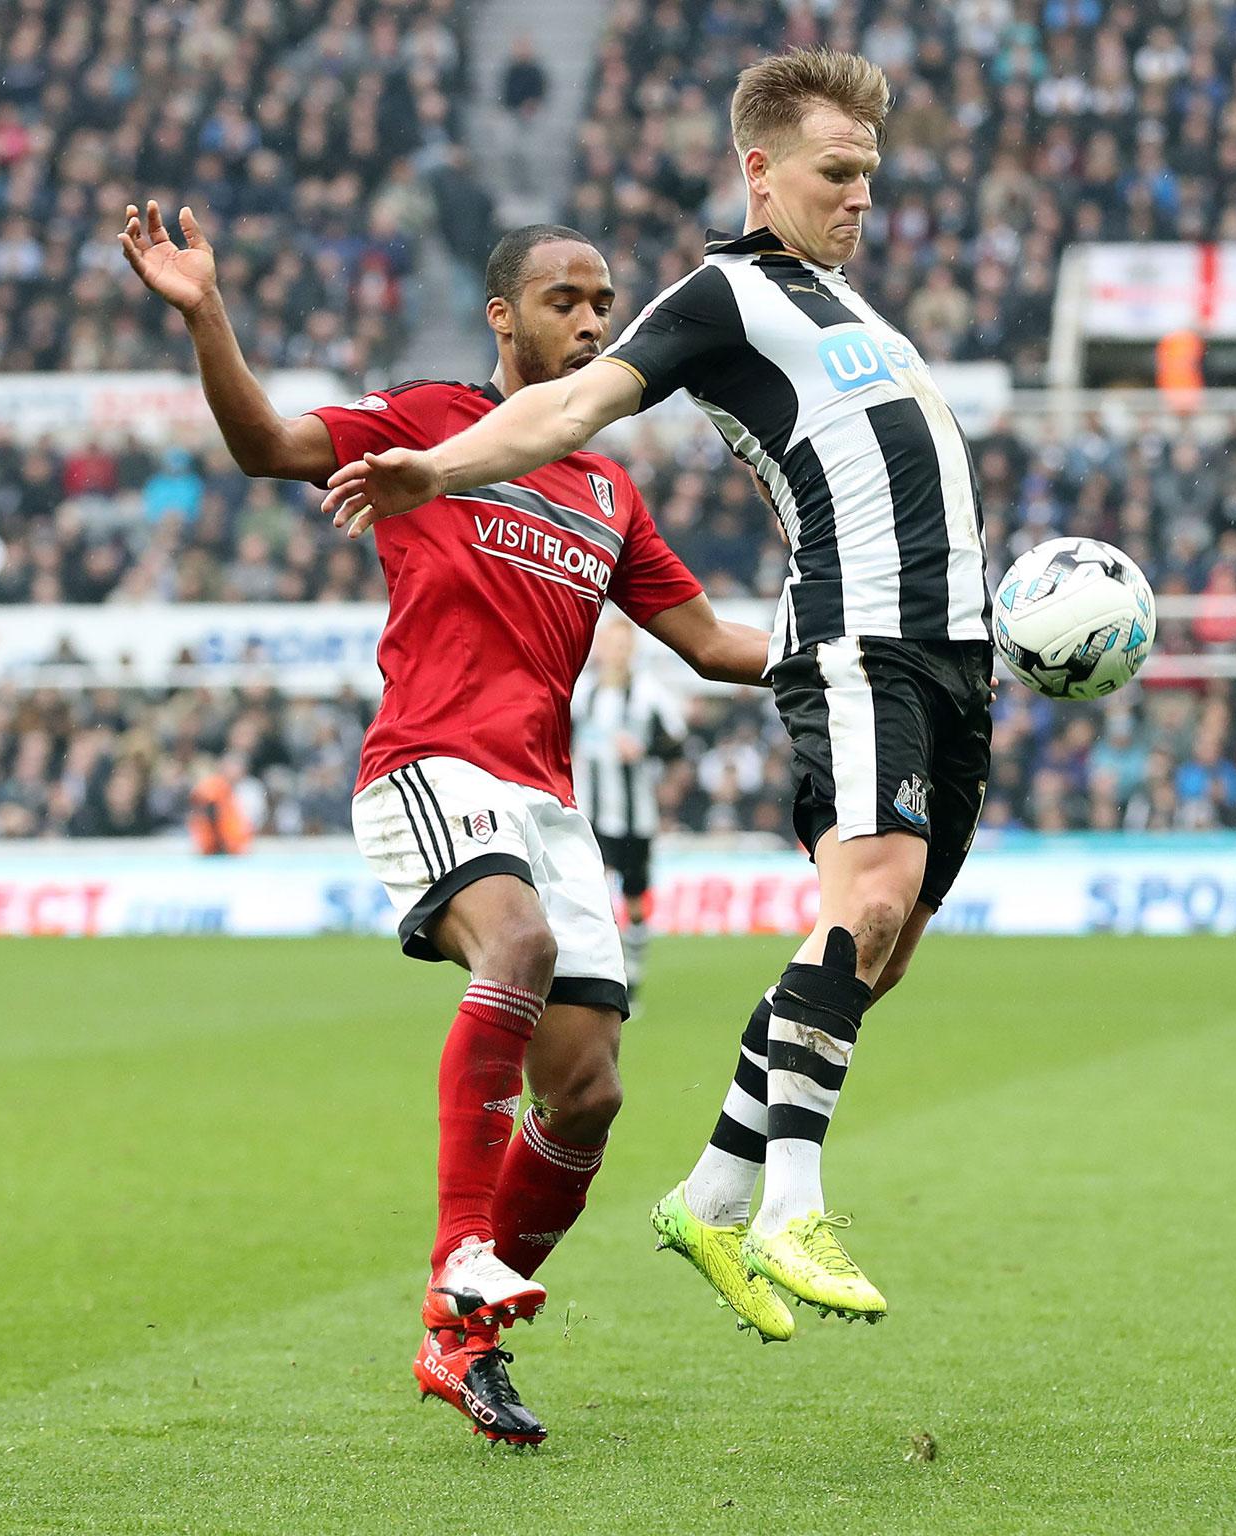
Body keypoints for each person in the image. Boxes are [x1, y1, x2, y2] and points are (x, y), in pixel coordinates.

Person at [321, 50, 994, 1339]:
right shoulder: (723, 294)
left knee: (880, 952)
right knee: (866, 905)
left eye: (870, 176)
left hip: (951, 646)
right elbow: (567, 410)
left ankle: (710, 1190)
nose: (860, 199)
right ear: (759, 170)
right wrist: (434, 469)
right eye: (835, 174)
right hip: (864, 635)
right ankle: (788, 1200)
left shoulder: (850, 310)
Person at [121, 201, 770, 1443]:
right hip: (429, 765)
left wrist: (853, 651)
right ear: (502, 317)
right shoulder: (429, 423)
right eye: (563, 302)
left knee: (584, 1096)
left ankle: (458, 1344)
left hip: (547, 800)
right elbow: (263, 444)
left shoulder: (606, 490)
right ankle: (461, 1253)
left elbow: (711, 644)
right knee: (515, 949)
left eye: (601, 304)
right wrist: (206, 313)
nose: (589, 323)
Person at [571, 616, 687, 1004]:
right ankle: (602, 978)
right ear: (601, 647)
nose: (617, 653)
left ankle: (632, 980)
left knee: (635, 902)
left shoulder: (648, 694)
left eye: (624, 645)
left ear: (631, 650)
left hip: (637, 816)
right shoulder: (582, 693)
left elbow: (676, 744)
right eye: (611, 644)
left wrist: (645, 750)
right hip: (591, 813)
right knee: (595, 896)